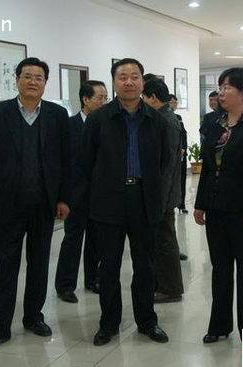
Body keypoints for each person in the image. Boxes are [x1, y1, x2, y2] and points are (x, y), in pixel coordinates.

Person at [73, 58, 170, 346]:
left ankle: (147, 321)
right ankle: (108, 323)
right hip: (109, 200)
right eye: (122, 77)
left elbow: (164, 161)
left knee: (145, 266)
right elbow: (85, 162)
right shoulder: (98, 119)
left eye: (135, 76)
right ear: (114, 82)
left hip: (144, 199)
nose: (129, 82)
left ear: (142, 81)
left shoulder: (157, 120)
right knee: (108, 267)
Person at [0, 57, 71, 353]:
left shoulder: (57, 114)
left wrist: (63, 198)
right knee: (6, 265)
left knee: (39, 263)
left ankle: (33, 317)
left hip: (43, 203)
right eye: (27, 76)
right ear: (16, 79)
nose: (33, 81)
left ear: (45, 83)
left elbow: (66, 160)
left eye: (38, 77)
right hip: (7, 204)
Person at [193, 67, 243, 343]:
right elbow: (208, 168)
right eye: (221, 87)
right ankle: (219, 325)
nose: (221, 92)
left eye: (227, 87)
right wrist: (200, 203)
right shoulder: (215, 124)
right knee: (220, 269)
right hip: (216, 208)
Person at [55, 80, 107, 303]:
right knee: (72, 240)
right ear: (85, 99)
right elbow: (62, 162)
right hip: (75, 194)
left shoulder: (106, 125)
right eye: (100, 98)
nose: (104, 102)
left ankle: (93, 279)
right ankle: (65, 285)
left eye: (106, 98)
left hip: (100, 193)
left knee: (96, 239)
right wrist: (62, 196)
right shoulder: (68, 125)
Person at [142, 76, 184, 303]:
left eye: (144, 97)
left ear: (153, 98)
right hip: (164, 193)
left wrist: (158, 199)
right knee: (161, 241)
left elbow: (166, 166)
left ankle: (170, 289)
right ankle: (163, 284)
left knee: (165, 242)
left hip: (163, 195)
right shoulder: (165, 117)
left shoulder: (165, 121)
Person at [169, 94, 189, 216]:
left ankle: (182, 205)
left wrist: (183, 148)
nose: (174, 104)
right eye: (172, 102)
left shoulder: (178, 117)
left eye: (175, 102)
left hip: (180, 154)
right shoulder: (162, 117)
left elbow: (183, 134)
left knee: (181, 179)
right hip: (170, 154)